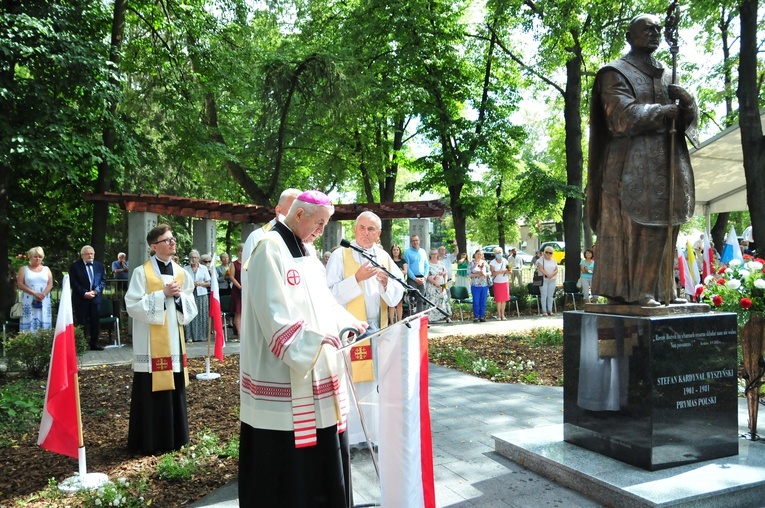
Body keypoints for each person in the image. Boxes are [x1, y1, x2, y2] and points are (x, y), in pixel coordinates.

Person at [239, 190, 366, 507]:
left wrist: (351, 324)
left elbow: (325, 304)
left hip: (319, 373)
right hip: (282, 375)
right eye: (319, 223)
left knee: (323, 455)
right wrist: (312, 339)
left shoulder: (308, 253)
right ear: (299, 215)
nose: (321, 231)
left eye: (325, 224)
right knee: (289, 470)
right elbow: (273, 314)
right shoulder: (268, 249)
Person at [586, 13, 698, 307]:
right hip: (629, 165)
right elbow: (619, 117)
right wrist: (660, 112)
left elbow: (687, 125)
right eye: (647, 29)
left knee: (669, 226)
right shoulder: (615, 72)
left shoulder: (667, 75)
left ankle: (665, 291)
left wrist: (686, 103)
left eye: (658, 30)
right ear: (630, 35)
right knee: (641, 228)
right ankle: (638, 292)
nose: (655, 34)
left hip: (667, 161)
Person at [326, 211, 405, 447]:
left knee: (375, 383)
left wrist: (386, 283)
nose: (365, 233)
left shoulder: (384, 257)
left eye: (371, 229)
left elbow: (397, 293)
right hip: (350, 330)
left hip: (378, 329)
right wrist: (356, 279)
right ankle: (353, 437)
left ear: (379, 234)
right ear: (354, 229)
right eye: (362, 227)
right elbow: (328, 294)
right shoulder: (341, 255)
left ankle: (373, 434)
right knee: (353, 384)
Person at [125, 224, 198, 454]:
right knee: (150, 391)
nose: (172, 242)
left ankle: (175, 438)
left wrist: (178, 298)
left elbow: (190, 307)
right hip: (150, 344)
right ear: (154, 246)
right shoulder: (141, 272)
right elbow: (133, 305)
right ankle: (148, 441)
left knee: (174, 389)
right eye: (167, 240)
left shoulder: (181, 272)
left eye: (172, 239)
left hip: (173, 343)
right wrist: (161, 295)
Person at [69, 245, 106, 350]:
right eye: (87, 253)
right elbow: (73, 282)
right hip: (81, 299)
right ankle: (82, 344)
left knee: (95, 322)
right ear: (82, 255)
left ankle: (95, 343)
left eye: (91, 253)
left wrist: (96, 291)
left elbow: (103, 280)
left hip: (95, 299)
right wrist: (85, 293)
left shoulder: (99, 266)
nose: (89, 255)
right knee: (82, 322)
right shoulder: (75, 266)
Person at [16, 246, 53, 332]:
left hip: (44, 300)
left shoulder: (46, 269)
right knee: (29, 320)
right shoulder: (23, 269)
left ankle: (44, 340)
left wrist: (42, 294)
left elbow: (50, 284)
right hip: (28, 300)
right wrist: (34, 293)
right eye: (35, 256)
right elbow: (20, 285)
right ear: (30, 257)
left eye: (40, 257)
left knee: (44, 320)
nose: (37, 259)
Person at [184, 249, 211, 343]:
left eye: (195, 257)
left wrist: (200, 284)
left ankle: (202, 335)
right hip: (190, 294)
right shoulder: (185, 269)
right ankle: (189, 336)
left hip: (201, 294)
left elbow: (208, 283)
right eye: (191, 257)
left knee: (201, 314)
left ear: (198, 258)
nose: (193, 259)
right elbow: (183, 282)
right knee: (190, 313)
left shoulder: (203, 268)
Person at [403, 235, 428, 314]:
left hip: (422, 278)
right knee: (413, 298)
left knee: (421, 298)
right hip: (412, 279)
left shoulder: (423, 251)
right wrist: (414, 278)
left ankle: (420, 315)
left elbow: (426, 265)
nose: (415, 242)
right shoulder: (407, 252)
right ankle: (412, 316)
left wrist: (425, 277)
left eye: (416, 240)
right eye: (413, 241)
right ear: (411, 242)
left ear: (419, 241)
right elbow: (408, 267)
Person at [425, 249, 451, 323]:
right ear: (430, 255)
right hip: (432, 285)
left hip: (441, 284)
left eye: (435, 254)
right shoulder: (428, 264)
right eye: (432, 254)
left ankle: (446, 316)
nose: (434, 255)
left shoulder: (441, 263)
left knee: (443, 300)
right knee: (432, 301)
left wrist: (445, 282)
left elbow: (445, 273)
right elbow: (426, 275)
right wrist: (434, 282)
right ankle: (432, 318)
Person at [469, 250, 491, 322]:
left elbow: (489, 272)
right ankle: (476, 316)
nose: (479, 256)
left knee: (483, 301)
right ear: (475, 255)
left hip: (484, 285)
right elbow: (469, 274)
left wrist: (485, 273)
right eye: (478, 254)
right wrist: (478, 274)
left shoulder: (485, 263)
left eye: (481, 254)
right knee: (476, 301)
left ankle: (482, 316)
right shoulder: (471, 263)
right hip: (475, 285)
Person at [388, 244, 408, 323]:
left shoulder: (403, 261)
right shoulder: (389, 260)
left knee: (400, 302)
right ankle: (392, 321)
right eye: (394, 250)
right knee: (392, 302)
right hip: (392, 283)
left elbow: (405, 271)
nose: (395, 251)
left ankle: (399, 320)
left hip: (400, 283)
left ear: (399, 251)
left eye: (397, 250)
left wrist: (399, 271)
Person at [489, 247, 510, 320]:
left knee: (504, 299)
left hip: (505, 282)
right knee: (498, 300)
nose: (499, 254)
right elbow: (493, 273)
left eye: (500, 252)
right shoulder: (492, 262)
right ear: (495, 254)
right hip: (497, 282)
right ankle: (498, 315)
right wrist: (501, 271)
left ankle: (503, 315)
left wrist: (507, 271)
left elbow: (510, 270)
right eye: (497, 253)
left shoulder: (505, 261)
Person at [537, 247, 558, 316]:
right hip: (543, 279)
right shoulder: (540, 260)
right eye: (547, 252)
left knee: (550, 295)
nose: (548, 254)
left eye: (550, 253)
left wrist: (551, 275)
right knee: (544, 295)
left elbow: (556, 270)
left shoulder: (554, 260)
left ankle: (550, 310)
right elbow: (540, 269)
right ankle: (544, 310)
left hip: (552, 279)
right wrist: (547, 274)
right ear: (544, 252)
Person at [228, 244, 243, 336]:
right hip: (237, 290)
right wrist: (240, 287)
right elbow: (231, 277)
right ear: (238, 252)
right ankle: (239, 332)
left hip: (247, 290)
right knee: (238, 312)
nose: (243, 253)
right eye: (241, 251)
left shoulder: (249, 262)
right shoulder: (234, 264)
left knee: (246, 311)